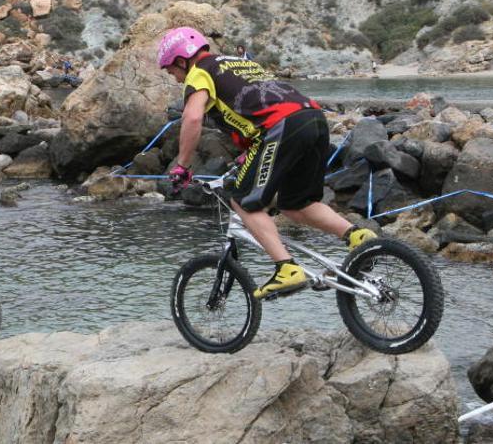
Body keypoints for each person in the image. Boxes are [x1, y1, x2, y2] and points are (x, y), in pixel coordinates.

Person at [158, 27, 376, 299]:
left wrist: (183, 165)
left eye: (172, 71)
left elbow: (192, 119)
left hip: (280, 127)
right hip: (313, 119)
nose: (177, 79)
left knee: (242, 197)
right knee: (297, 205)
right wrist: (248, 153)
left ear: (182, 60)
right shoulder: (237, 63)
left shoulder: (199, 72)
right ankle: (358, 237)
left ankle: (286, 268)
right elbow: (253, 102)